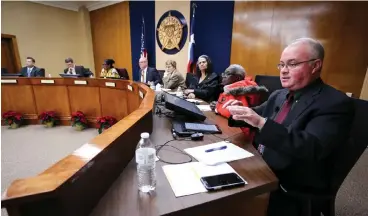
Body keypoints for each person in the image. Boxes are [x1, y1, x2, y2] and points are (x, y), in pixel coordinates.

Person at [223, 38, 354, 216]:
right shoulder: (280, 94)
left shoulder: (334, 103)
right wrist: (238, 111)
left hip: (289, 185)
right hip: (260, 166)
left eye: (292, 64)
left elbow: (311, 147)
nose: (284, 71)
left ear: (315, 66)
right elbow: (256, 113)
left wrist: (260, 122)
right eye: (282, 65)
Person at [210, 64, 268, 140]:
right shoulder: (228, 89)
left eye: (227, 74)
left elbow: (230, 113)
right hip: (229, 127)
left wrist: (217, 108)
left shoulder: (242, 91)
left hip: (242, 135)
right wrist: (217, 106)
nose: (223, 76)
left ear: (238, 77)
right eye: (223, 74)